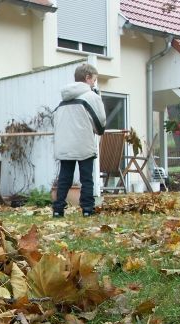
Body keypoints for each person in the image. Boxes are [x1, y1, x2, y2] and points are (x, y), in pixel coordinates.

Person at [52, 63, 106, 217]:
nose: (94, 84)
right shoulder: (91, 97)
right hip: (83, 143)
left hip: (65, 145)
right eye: (94, 80)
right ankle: (88, 209)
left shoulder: (63, 100)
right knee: (86, 178)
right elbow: (100, 121)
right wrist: (98, 130)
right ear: (87, 78)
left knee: (64, 178)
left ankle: (58, 210)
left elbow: (55, 121)